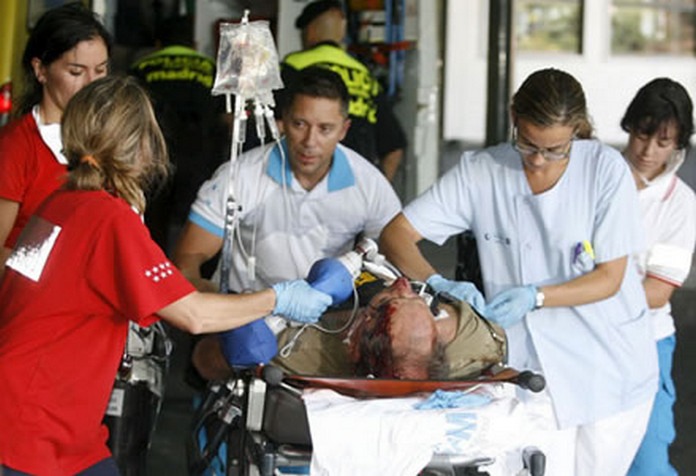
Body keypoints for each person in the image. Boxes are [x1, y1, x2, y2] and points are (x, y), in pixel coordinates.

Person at [0, 75, 332, 476]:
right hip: (31, 429)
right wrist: (278, 298)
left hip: (54, 424)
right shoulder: (108, 219)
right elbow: (192, 314)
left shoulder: (61, 201)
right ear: (140, 146)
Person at [378, 68, 658, 476]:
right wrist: (438, 284)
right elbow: (396, 234)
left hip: (609, 366)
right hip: (533, 372)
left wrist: (536, 295)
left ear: (576, 130)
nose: (540, 159)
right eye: (527, 144)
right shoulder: (481, 171)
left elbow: (610, 278)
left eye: (556, 149)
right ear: (514, 116)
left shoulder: (604, 170)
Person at [173, 66, 400, 300]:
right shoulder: (240, 176)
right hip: (246, 312)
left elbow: (395, 258)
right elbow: (188, 256)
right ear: (283, 121)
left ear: (344, 130)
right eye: (300, 124)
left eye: (325, 129)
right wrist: (208, 296)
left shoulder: (370, 184)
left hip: (330, 315)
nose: (310, 141)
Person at [192, 276, 506, 381]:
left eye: (388, 303)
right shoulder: (476, 343)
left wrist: (261, 306)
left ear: (355, 337)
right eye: (425, 305)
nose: (404, 284)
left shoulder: (304, 349)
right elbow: (496, 344)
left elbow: (203, 361)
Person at [0, 2, 111, 279]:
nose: (91, 84)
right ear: (41, 70)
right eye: (76, 72)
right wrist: (61, 275)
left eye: (100, 71)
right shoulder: (16, 147)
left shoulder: (109, 141)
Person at [621, 78, 696, 476]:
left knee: (647, 463)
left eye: (663, 142)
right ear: (629, 127)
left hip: (645, 342)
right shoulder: (598, 176)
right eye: (642, 134)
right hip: (581, 338)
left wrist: (580, 289)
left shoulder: (681, 204)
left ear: (679, 143)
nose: (648, 151)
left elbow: (655, 293)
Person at [129, 14, 228, 254]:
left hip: (154, 157)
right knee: (193, 219)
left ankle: (154, 269)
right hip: (200, 157)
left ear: (158, 45)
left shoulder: (141, 68)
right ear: (193, 44)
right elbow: (226, 117)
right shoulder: (211, 69)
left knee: (154, 221)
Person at [280, 0, 407, 182]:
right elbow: (394, 147)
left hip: (305, 184)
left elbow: (274, 125)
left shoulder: (293, 66)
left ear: (310, 32)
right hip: (356, 187)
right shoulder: (366, 76)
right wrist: (379, 190)